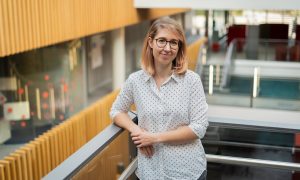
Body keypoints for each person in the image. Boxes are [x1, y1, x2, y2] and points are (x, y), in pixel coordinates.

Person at [110, 17, 208, 180]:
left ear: (179, 47)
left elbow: (199, 128)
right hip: (150, 172)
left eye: (173, 43)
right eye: (161, 41)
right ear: (151, 42)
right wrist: (138, 131)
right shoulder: (135, 81)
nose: (167, 48)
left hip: (187, 172)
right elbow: (116, 111)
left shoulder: (192, 81)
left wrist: (154, 138)